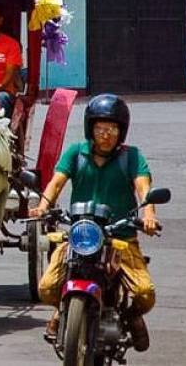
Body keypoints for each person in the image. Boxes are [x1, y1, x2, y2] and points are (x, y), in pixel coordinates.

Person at [29, 94, 159, 352]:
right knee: (47, 287)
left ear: (121, 131)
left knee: (145, 293)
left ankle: (132, 316)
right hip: (82, 235)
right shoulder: (75, 153)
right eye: (100, 128)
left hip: (120, 238)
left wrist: (149, 215)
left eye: (112, 129)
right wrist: (43, 207)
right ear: (91, 128)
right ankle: (62, 310)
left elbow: (144, 188)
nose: (106, 135)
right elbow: (56, 183)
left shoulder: (132, 156)